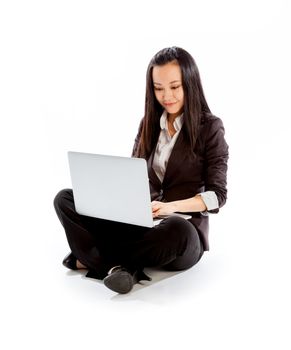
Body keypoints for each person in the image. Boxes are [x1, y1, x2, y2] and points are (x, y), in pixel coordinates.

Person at [53, 46, 229, 294]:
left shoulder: (210, 127)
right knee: (65, 198)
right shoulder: (148, 125)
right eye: (158, 88)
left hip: (182, 231)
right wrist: (116, 204)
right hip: (142, 224)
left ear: (190, 82)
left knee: (177, 229)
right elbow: (133, 178)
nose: (166, 96)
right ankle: (123, 267)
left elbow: (217, 196)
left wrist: (172, 207)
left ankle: (95, 258)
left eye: (174, 86)